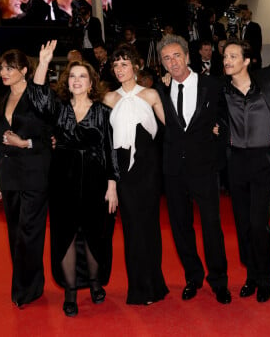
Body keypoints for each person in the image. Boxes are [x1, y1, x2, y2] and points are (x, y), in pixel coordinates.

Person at [155, 34, 231, 305]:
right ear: (162, 64)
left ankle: (219, 280)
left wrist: (219, 134)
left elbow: (224, 118)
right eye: (166, 58)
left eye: (176, 55)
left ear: (187, 56)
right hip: (173, 169)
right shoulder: (159, 89)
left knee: (212, 225)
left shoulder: (212, 85)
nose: (172, 62)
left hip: (204, 167)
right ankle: (193, 276)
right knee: (180, 227)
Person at [46, 59, 119, 317]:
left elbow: (111, 151)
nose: (77, 80)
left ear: (91, 83)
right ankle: (70, 293)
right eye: (72, 76)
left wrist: (112, 185)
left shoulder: (103, 112)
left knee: (93, 235)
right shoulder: (58, 110)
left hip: (95, 181)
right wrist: (43, 63)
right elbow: (36, 100)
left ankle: (95, 283)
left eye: (82, 76)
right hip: (62, 181)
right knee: (65, 236)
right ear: (67, 82)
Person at [102, 43, 169, 305]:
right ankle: (139, 288)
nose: (120, 69)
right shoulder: (108, 98)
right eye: (116, 65)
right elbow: (104, 141)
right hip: (124, 172)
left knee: (150, 226)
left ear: (136, 66)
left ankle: (155, 285)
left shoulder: (151, 95)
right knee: (131, 229)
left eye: (124, 63)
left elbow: (173, 131)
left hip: (148, 169)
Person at [0, 41, 57, 307]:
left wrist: (24, 143)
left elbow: (47, 138)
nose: (3, 73)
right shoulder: (1, 97)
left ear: (23, 70)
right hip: (9, 174)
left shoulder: (36, 97)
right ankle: (32, 284)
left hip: (34, 172)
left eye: (9, 68)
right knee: (15, 231)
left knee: (29, 231)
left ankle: (25, 290)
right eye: (1, 68)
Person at [219, 39, 270, 302]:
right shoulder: (221, 91)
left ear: (246, 61)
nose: (227, 60)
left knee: (258, 224)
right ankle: (251, 276)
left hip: (263, 160)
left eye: (233, 56)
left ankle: (265, 277)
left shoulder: (267, 83)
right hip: (236, 162)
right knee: (243, 225)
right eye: (225, 57)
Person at [238, 4, 263, 71]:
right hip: (244, 57)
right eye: (243, 13)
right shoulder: (242, 27)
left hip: (253, 58)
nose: (244, 14)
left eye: (246, 12)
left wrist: (255, 57)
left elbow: (258, 42)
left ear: (250, 14)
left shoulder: (255, 26)